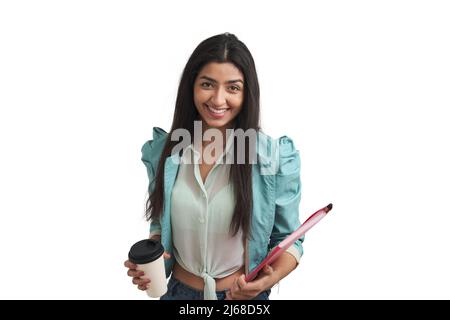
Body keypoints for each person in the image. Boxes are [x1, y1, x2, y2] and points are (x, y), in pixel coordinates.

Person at [124, 32, 303, 300]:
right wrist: (153, 262)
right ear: (191, 86)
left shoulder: (273, 157)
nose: (218, 100)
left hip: (241, 298)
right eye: (207, 84)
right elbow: (160, 224)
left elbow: (289, 240)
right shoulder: (165, 152)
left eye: (233, 88)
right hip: (176, 295)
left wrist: (270, 279)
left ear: (246, 93)